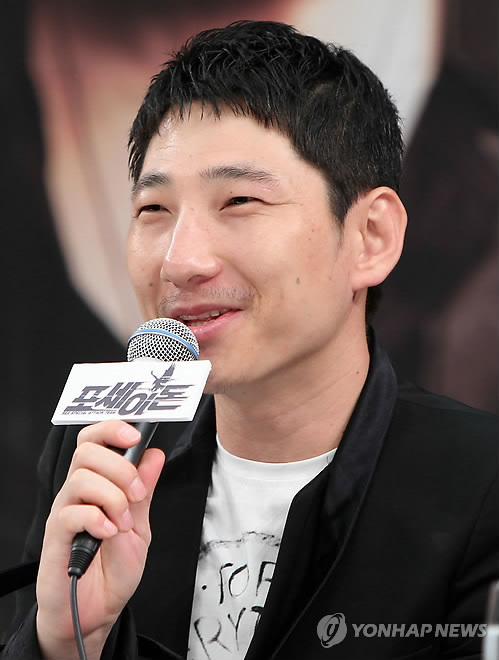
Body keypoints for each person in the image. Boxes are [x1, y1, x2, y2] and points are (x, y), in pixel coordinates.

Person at [2, 20, 497, 660]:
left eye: (238, 201)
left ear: (370, 237)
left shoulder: (479, 484)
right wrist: (69, 641)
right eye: (153, 210)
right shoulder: (105, 454)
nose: (180, 262)